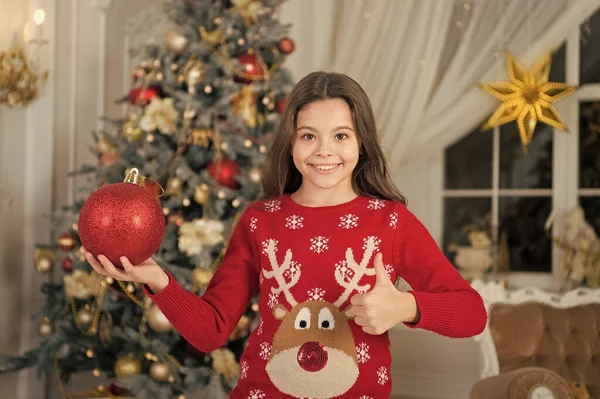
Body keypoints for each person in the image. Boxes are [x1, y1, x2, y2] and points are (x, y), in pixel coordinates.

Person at [85, 71, 487, 399]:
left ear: (362, 144)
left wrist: (404, 307)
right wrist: (158, 281)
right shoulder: (260, 220)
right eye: (309, 135)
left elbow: (473, 314)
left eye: (341, 136)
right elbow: (211, 331)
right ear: (291, 143)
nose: (324, 151)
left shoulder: (391, 221)